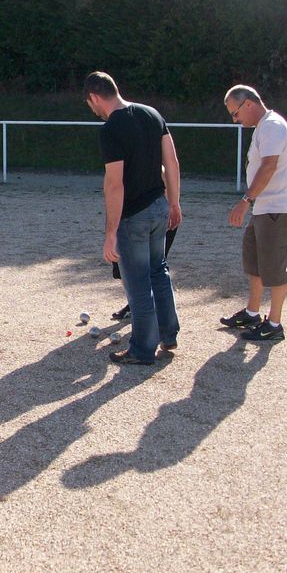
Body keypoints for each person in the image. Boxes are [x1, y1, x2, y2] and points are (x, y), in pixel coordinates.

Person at [84, 71, 183, 365]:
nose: (92, 110)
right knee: (159, 271)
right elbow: (172, 162)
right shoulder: (151, 114)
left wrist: (111, 232)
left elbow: (115, 183)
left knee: (138, 282)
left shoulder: (110, 128)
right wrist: (174, 203)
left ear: (95, 97)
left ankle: (142, 349)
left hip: (134, 216)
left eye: (89, 104)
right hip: (159, 206)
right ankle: (168, 334)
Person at [220, 85, 287, 342]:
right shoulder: (263, 128)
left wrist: (245, 201)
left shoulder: (273, 126)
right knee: (254, 260)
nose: (235, 119)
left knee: (274, 267)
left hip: (277, 208)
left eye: (235, 113)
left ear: (248, 104)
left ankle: (274, 324)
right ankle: (253, 313)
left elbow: (268, 168)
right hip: (264, 208)